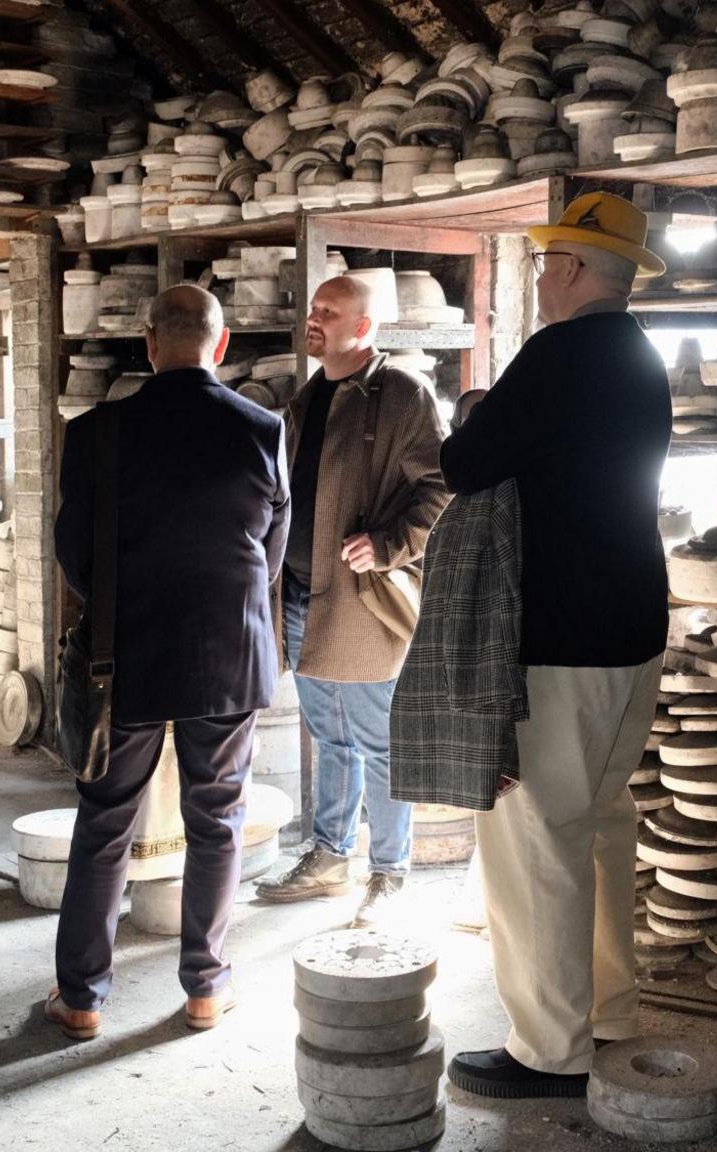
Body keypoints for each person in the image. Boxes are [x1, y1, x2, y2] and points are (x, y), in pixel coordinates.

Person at [438, 192, 672, 1099]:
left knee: (535, 837)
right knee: (601, 823)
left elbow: (466, 467)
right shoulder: (641, 357)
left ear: (573, 270)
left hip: (562, 636)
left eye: (545, 263)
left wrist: (480, 410)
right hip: (631, 627)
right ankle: (609, 1011)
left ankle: (549, 1050)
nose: (540, 278)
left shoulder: (559, 352)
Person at [44, 285, 290, 1041]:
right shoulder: (263, 428)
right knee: (217, 819)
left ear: (149, 343)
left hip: (127, 651)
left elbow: (73, 553)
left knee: (107, 818)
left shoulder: (98, 432)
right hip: (230, 650)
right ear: (219, 346)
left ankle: (82, 998)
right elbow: (270, 555)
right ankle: (205, 991)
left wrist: (120, 603)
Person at [255, 275, 450, 927]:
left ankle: (391, 870)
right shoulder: (306, 398)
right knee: (329, 738)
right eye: (313, 308)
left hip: (363, 598)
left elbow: (444, 489)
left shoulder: (401, 395)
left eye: (330, 312)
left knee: (379, 740)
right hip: (303, 595)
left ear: (364, 329)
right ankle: (331, 856)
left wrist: (391, 543)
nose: (314, 319)